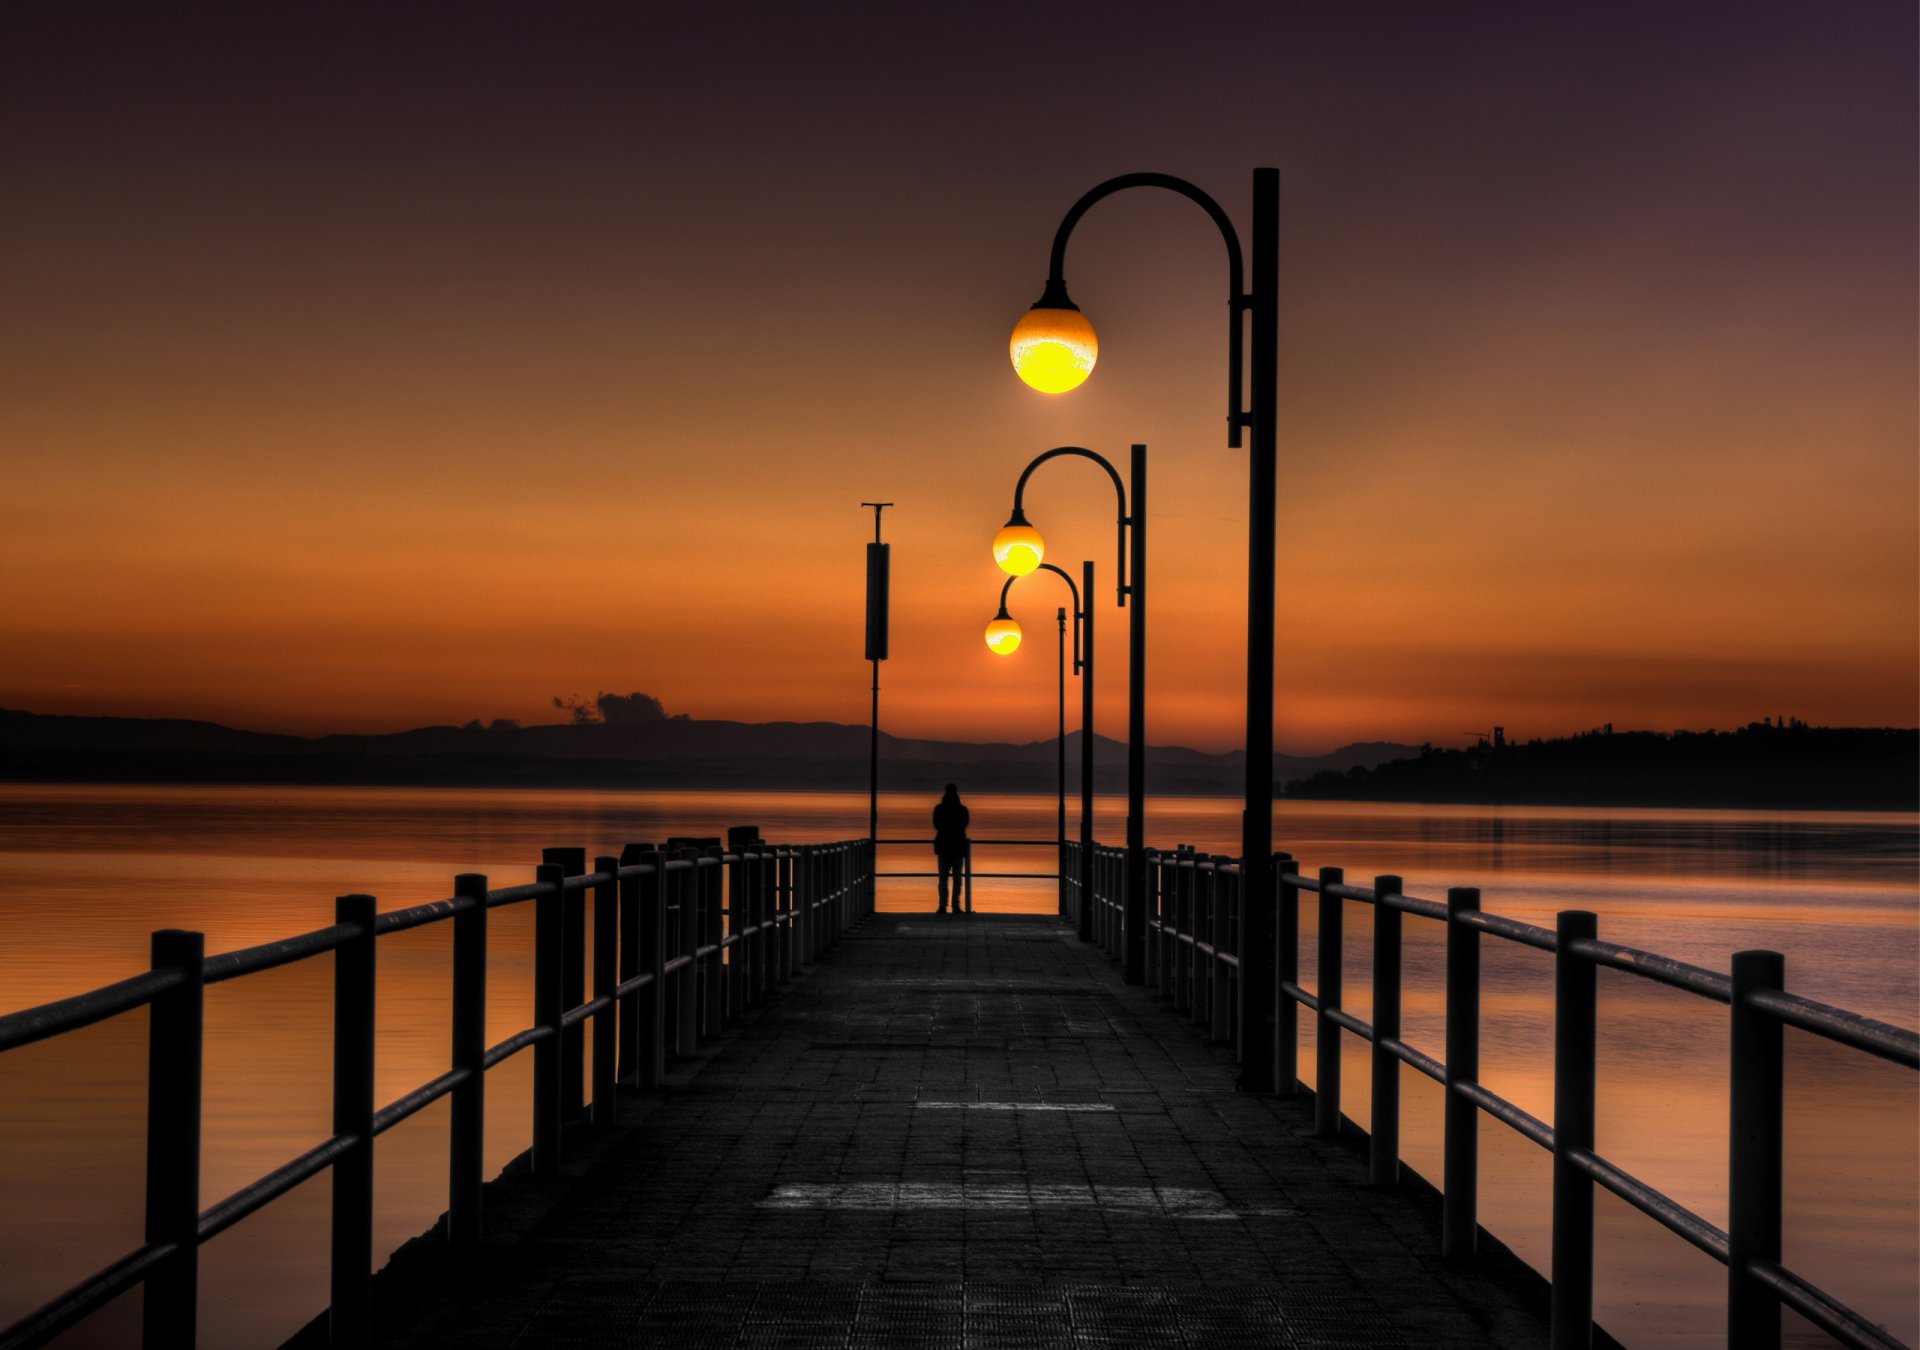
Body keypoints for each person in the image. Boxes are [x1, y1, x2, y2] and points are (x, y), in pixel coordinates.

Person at [932, 783, 970, 914]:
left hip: (944, 847)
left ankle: (943, 905)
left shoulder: (939, 809)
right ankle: (955, 905)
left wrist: (946, 824)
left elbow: (936, 825)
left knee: (943, 878)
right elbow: (963, 825)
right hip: (957, 847)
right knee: (957, 878)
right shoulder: (963, 810)